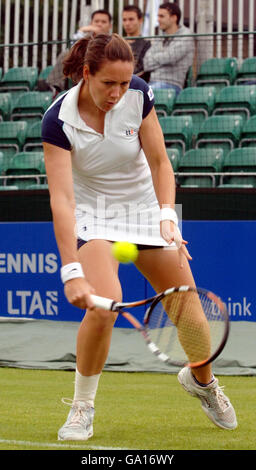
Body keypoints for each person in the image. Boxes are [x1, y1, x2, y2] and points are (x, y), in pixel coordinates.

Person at [41, 33, 237, 441]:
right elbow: (61, 199)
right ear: (86, 74)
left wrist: (168, 215)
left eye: (125, 83)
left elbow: (162, 163)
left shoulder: (140, 96)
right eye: (108, 83)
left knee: (193, 318)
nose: (117, 93)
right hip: (94, 215)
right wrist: (71, 271)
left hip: (147, 210)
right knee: (102, 306)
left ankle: (203, 383)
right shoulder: (57, 121)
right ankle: (82, 408)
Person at [39, 9, 112, 95]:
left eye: (103, 22)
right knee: (66, 54)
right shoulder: (85, 38)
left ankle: (56, 88)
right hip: (80, 70)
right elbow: (73, 48)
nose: (99, 24)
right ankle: (56, 88)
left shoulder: (112, 41)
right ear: (91, 23)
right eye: (96, 21)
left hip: (99, 69)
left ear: (110, 26)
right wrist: (82, 30)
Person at [143, 2, 195, 95]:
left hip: (172, 85)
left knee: (143, 96)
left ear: (174, 18)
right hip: (152, 84)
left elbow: (171, 57)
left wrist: (157, 58)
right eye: (158, 16)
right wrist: (164, 59)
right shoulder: (160, 37)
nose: (158, 19)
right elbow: (146, 62)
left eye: (162, 16)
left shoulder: (186, 35)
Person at [122, 5, 151, 81]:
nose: (127, 23)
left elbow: (142, 69)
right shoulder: (118, 42)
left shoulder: (147, 44)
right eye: (124, 20)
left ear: (140, 20)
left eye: (131, 19)